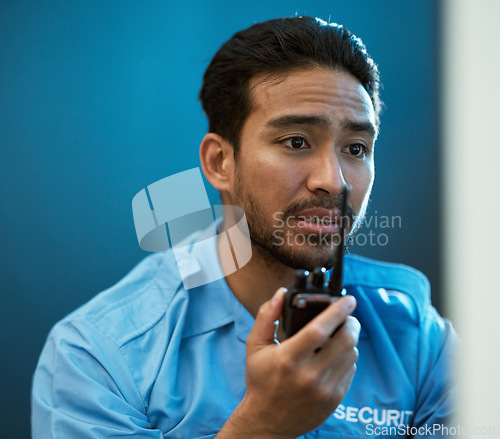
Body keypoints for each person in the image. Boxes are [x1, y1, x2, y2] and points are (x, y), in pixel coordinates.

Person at [32, 16, 456, 438]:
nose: (334, 180)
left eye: (356, 148)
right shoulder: (100, 358)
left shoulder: (415, 338)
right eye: (296, 141)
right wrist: (261, 427)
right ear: (220, 163)